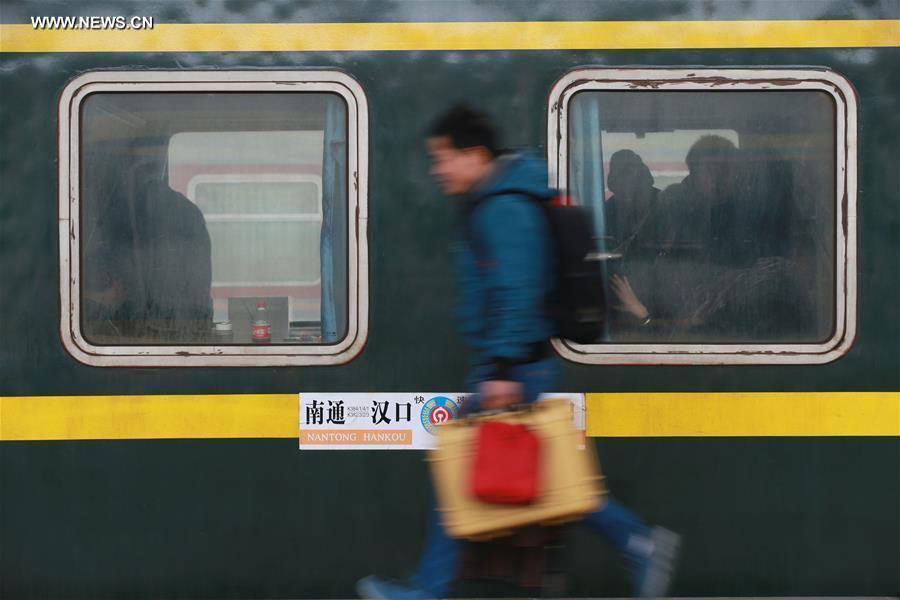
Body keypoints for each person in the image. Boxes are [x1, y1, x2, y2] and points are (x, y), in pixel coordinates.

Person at [357, 104, 679, 600]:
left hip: (513, 364)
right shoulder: (501, 198)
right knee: (529, 477)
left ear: (474, 154)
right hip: (512, 360)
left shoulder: (504, 206)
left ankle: (429, 589)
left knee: (474, 473)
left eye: (443, 158)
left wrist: (503, 365)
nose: (436, 169)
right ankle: (636, 542)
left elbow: (517, 287)